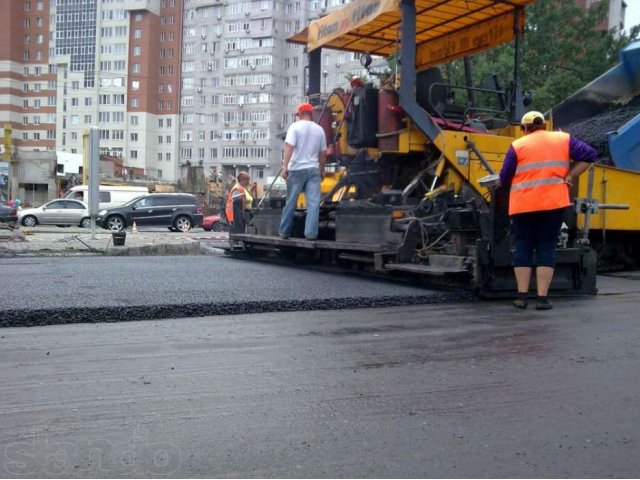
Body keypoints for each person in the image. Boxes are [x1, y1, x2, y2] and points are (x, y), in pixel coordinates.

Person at [499, 111, 596, 310]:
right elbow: (590, 155)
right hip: (553, 204)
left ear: (524, 128)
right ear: (544, 125)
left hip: (523, 205)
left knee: (523, 246)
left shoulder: (518, 145)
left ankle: (522, 297)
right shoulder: (563, 139)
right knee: (546, 246)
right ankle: (542, 299)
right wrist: (570, 175)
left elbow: (504, 177)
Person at [279, 103, 328, 240]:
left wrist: (285, 167)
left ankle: (284, 232)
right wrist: (322, 170)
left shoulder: (294, 127)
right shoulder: (319, 130)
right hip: (313, 170)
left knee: (291, 201)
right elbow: (323, 153)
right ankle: (311, 234)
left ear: (299, 114)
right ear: (311, 114)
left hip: (296, 169)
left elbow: (290, 147)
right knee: (313, 203)